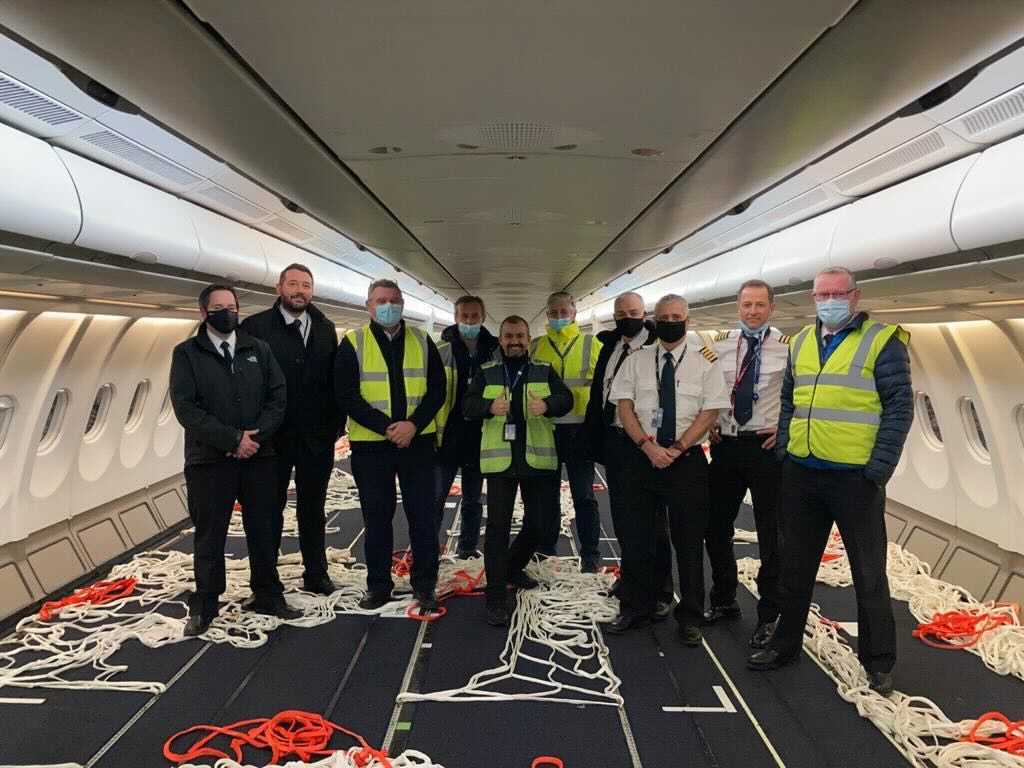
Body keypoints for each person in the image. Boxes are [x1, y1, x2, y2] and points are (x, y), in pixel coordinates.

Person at [747, 266, 913, 697]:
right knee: (794, 567)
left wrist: (878, 469)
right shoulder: (802, 341)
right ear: (813, 299)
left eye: (838, 294)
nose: (830, 301)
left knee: (868, 572)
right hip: (802, 472)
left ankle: (878, 662)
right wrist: (786, 447)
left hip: (855, 479)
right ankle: (785, 645)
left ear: (855, 297)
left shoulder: (883, 342)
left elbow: (899, 408)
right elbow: (789, 400)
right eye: (823, 295)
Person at [169, 283, 298, 637]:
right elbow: (186, 408)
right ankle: (206, 605)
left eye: (232, 307)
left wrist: (254, 438)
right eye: (219, 308)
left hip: (259, 457)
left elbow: (278, 397)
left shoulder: (258, 349)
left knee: (264, 528)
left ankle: (268, 594)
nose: (227, 313)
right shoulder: (187, 354)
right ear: (203, 313)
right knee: (210, 534)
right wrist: (231, 439)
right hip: (209, 461)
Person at [608, 294, 730, 645]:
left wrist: (677, 448)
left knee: (689, 543)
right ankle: (636, 607)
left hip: (685, 462)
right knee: (637, 539)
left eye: (676, 317)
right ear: (654, 319)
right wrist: (648, 447)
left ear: (687, 320)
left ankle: (690, 617)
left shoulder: (705, 362)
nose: (670, 322)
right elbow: (625, 408)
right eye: (664, 317)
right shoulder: (637, 360)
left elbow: (710, 411)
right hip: (642, 460)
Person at [334, 279, 446, 613]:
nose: (389, 306)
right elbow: (347, 395)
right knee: (377, 517)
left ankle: (424, 585)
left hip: (417, 442)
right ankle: (379, 586)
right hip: (372, 446)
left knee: (423, 517)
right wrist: (386, 427)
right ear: (369, 306)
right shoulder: (353, 343)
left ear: (402, 305)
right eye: (381, 301)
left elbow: (437, 391)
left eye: (394, 300)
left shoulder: (422, 341)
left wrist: (413, 425)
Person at [241, 263, 345, 596]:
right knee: (268, 511)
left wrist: (334, 426)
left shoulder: (325, 328)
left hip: (316, 438)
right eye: (293, 284)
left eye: (306, 285)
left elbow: (333, 381)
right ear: (279, 288)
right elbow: (244, 384)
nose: (300, 291)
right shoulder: (255, 327)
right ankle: (266, 582)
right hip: (271, 439)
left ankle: (316, 573)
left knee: (313, 509)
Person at [463, 315, 573, 626]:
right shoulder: (487, 372)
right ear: (501, 340)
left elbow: (566, 399)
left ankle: (511, 567)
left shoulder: (543, 369)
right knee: (497, 529)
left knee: (541, 524)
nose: (515, 341)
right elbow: (467, 406)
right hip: (501, 463)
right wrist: (488, 408)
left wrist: (548, 405)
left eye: (520, 336)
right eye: (509, 336)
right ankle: (496, 596)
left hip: (536, 460)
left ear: (528, 339)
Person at [703, 279, 790, 649]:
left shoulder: (788, 348)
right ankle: (724, 598)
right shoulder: (718, 344)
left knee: (772, 535)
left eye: (759, 305)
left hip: (765, 449)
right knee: (714, 526)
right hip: (726, 444)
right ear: (738, 307)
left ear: (771, 308)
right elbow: (708, 388)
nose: (752, 311)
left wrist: (785, 430)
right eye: (746, 305)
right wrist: (709, 421)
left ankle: (770, 615)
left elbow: (801, 397)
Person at [582, 291, 672, 619]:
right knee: (622, 518)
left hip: (646, 442)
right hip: (616, 441)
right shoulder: (612, 347)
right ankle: (632, 580)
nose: (627, 319)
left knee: (653, 524)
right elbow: (601, 392)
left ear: (644, 313)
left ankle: (660, 590)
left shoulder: (658, 347)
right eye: (621, 314)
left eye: (633, 313)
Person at [530, 291, 603, 571]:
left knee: (583, 496)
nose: (559, 317)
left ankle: (590, 554)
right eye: (554, 313)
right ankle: (545, 550)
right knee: (546, 497)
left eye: (564, 312)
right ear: (547, 315)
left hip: (580, 432)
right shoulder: (537, 346)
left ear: (574, 313)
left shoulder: (591, 344)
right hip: (546, 430)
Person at [434, 295, 500, 557]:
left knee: (473, 499)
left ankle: (467, 548)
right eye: (465, 316)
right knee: (436, 497)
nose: (470, 321)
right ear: (456, 317)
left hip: (480, 435)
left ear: (482, 317)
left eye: (474, 316)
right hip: (447, 435)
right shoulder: (441, 349)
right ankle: (429, 549)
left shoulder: (494, 350)